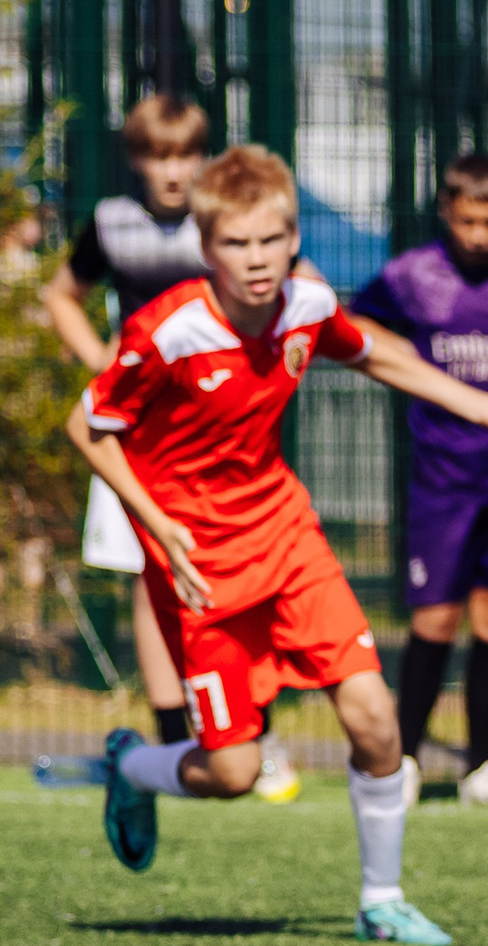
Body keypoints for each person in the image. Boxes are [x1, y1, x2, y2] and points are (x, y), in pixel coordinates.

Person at [71, 144, 488, 944]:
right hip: (200, 563)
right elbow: (89, 426)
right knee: (232, 772)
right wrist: (156, 522)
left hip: (287, 536)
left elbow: (378, 352)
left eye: (272, 239)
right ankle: (130, 765)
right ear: (208, 249)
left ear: (294, 236)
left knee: (376, 719)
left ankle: (382, 899)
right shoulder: (166, 331)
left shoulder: (306, 304)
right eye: (237, 244)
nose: (257, 260)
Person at [38, 98, 309, 797]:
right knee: (149, 570)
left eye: (186, 154)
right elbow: (62, 293)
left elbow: (298, 289)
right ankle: (172, 736)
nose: (172, 170)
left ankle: (255, 728)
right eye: (158, 155)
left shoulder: (226, 227)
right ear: (136, 159)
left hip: (222, 431)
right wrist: (101, 357)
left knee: (249, 573)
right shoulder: (112, 224)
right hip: (136, 432)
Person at [348, 153, 488, 811]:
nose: (478, 234)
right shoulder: (414, 273)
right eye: (466, 220)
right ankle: (408, 759)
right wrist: (409, 360)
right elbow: (357, 327)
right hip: (443, 473)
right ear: (447, 212)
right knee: (436, 615)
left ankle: (481, 765)